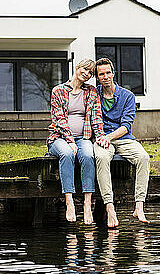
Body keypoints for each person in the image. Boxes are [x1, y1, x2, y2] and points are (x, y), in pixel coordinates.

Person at [93, 57, 150, 228]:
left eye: (108, 73)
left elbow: (126, 126)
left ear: (113, 73)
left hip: (122, 139)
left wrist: (108, 137)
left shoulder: (127, 96)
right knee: (101, 158)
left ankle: (139, 206)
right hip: (102, 139)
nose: (105, 77)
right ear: (97, 77)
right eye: (101, 74)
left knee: (143, 158)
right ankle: (110, 208)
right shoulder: (93, 95)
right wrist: (102, 138)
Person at [47, 58, 105, 224]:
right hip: (59, 138)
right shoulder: (58, 90)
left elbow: (96, 116)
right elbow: (58, 119)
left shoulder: (91, 91)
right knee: (66, 154)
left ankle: (87, 203)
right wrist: (70, 140)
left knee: (87, 155)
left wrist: (100, 136)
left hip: (83, 137)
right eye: (84, 69)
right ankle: (69, 201)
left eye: (90, 73)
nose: (86, 74)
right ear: (77, 67)